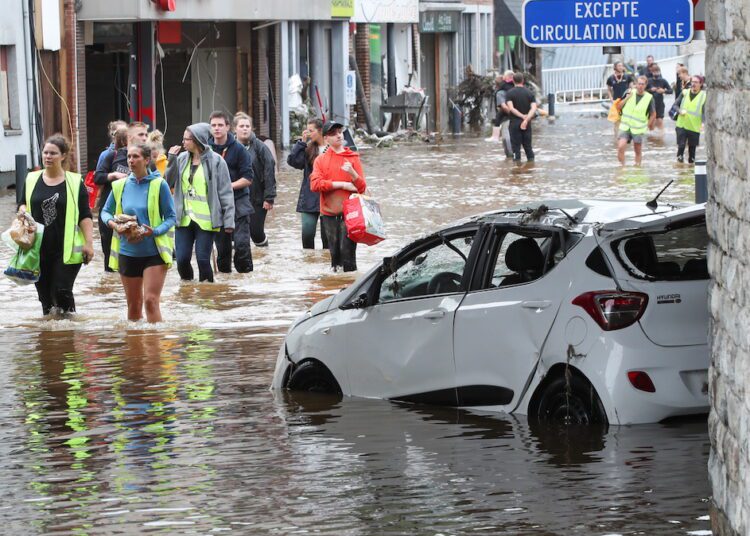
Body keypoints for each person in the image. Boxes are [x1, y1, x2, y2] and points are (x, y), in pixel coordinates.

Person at [17, 134, 95, 315]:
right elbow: (22, 203)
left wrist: (89, 244)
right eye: (45, 153)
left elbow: (85, 215)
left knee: (62, 291)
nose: (48, 157)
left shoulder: (75, 182)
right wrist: (22, 211)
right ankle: (52, 339)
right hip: (37, 248)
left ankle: (70, 331)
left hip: (66, 249)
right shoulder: (31, 179)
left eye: (53, 153)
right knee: (44, 297)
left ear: (63, 155)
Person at [100, 143, 176, 322]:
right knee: (134, 305)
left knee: (150, 301)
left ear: (147, 160)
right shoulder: (120, 185)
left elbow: (172, 217)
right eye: (129, 157)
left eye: (136, 157)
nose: (131, 160)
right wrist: (113, 224)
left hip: (154, 252)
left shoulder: (160, 185)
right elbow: (105, 212)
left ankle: (155, 345)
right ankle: (136, 348)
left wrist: (155, 231)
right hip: (127, 252)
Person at [165, 123, 235, 283]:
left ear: (197, 140)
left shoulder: (216, 161)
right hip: (184, 218)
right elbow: (167, 182)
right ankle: (187, 290)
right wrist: (171, 160)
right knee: (181, 260)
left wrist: (229, 220)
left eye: (186, 139)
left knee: (203, 260)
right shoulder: (181, 159)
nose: (183, 142)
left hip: (206, 220)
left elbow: (226, 192)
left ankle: (207, 294)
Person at [310, 121, 367, 272]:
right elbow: (315, 185)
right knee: (335, 256)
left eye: (340, 132)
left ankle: (351, 287)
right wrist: (341, 184)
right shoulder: (320, 160)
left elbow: (362, 188)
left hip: (350, 214)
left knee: (348, 253)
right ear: (326, 139)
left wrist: (353, 174)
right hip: (328, 213)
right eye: (333, 133)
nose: (338, 135)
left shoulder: (353, 157)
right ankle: (337, 288)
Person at [208, 111, 254, 273]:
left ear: (228, 127)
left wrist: (227, 187)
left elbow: (248, 178)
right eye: (213, 125)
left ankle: (244, 282)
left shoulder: (239, 149)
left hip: (239, 202)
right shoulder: (206, 150)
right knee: (223, 251)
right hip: (217, 205)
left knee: (242, 247)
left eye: (220, 125)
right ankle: (226, 287)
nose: (217, 128)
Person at [233, 112, 277, 248]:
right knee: (235, 232)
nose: (245, 128)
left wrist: (269, 197)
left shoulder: (259, 146)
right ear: (235, 129)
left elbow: (269, 169)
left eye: (247, 126)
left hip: (257, 197)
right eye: (241, 126)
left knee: (256, 232)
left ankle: (264, 254)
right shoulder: (229, 146)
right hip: (235, 196)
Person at [287, 118, 329, 249]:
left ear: (320, 131)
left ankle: (327, 263)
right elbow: (294, 161)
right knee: (307, 233)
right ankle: (308, 262)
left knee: (327, 237)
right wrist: (301, 143)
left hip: (328, 197)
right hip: (310, 196)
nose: (308, 133)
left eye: (311, 131)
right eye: (307, 131)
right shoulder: (308, 148)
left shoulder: (332, 148)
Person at [94, 126, 129, 271]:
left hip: (129, 210)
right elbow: (98, 177)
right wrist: (113, 175)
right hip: (110, 208)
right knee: (108, 252)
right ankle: (110, 283)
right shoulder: (111, 156)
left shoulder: (143, 158)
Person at [616, 76, 656, 166]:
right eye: (639, 84)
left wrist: (647, 126)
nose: (640, 86)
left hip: (638, 128)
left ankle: (637, 168)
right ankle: (622, 168)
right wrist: (627, 98)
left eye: (642, 84)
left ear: (645, 85)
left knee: (637, 150)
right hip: (625, 126)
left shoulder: (649, 98)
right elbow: (618, 107)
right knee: (620, 146)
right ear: (636, 84)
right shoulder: (629, 92)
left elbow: (653, 114)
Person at [505, 72, 538, 163]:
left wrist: (521, 116)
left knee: (516, 149)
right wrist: (526, 119)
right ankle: (531, 171)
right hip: (527, 124)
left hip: (514, 124)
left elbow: (511, 108)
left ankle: (517, 172)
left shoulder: (509, 93)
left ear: (513, 81)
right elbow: (534, 108)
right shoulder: (529, 93)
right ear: (523, 80)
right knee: (528, 148)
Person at [675, 75, 706, 164]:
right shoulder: (685, 92)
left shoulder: (703, 96)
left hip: (694, 126)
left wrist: (703, 123)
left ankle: (690, 172)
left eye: (696, 82)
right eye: (692, 82)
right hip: (681, 125)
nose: (693, 84)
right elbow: (675, 105)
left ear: (701, 84)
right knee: (681, 147)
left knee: (692, 155)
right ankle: (680, 170)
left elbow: (704, 112)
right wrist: (679, 111)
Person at [485, 71, 514, 145]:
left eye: (504, 76)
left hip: (507, 105)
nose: (503, 77)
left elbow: (498, 91)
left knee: (498, 117)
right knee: (500, 118)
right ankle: (496, 137)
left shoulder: (503, 87)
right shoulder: (514, 84)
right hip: (512, 105)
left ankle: (495, 137)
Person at [646, 64, 673, 131]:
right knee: (651, 122)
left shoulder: (663, 81)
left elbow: (671, 91)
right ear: (652, 72)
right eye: (654, 72)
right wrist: (650, 90)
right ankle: (651, 138)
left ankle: (661, 137)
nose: (656, 73)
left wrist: (663, 91)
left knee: (660, 121)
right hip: (650, 104)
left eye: (657, 72)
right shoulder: (649, 81)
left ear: (660, 72)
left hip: (660, 104)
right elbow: (643, 90)